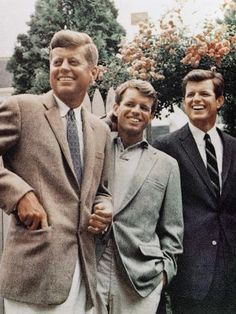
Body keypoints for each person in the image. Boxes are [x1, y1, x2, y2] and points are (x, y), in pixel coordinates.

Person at [0, 29, 112, 314]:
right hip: (33, 271)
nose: (63, 68)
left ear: (93, 72)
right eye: (57, 62)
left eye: (73, 62)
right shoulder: (21, 108)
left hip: (82, 272)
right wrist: (19, 193)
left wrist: (104, 208)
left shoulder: (101, 130)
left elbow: (102, 191)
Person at [94, 79, 183, 314]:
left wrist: (164, 274)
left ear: (151, 116)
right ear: (115, 108)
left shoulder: (166, 165)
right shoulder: (96, 150)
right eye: (130, 104)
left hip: (141, 278)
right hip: (93, 268)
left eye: (144, 108)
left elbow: (173, 229)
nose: (136, 111)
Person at [153, 69, 236, 314]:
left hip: (232, 273)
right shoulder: (165, 147)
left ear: (219, 100)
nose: (196, 100)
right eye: (190, 95)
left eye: (204, 94)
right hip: (191, 272)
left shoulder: (233, 146)